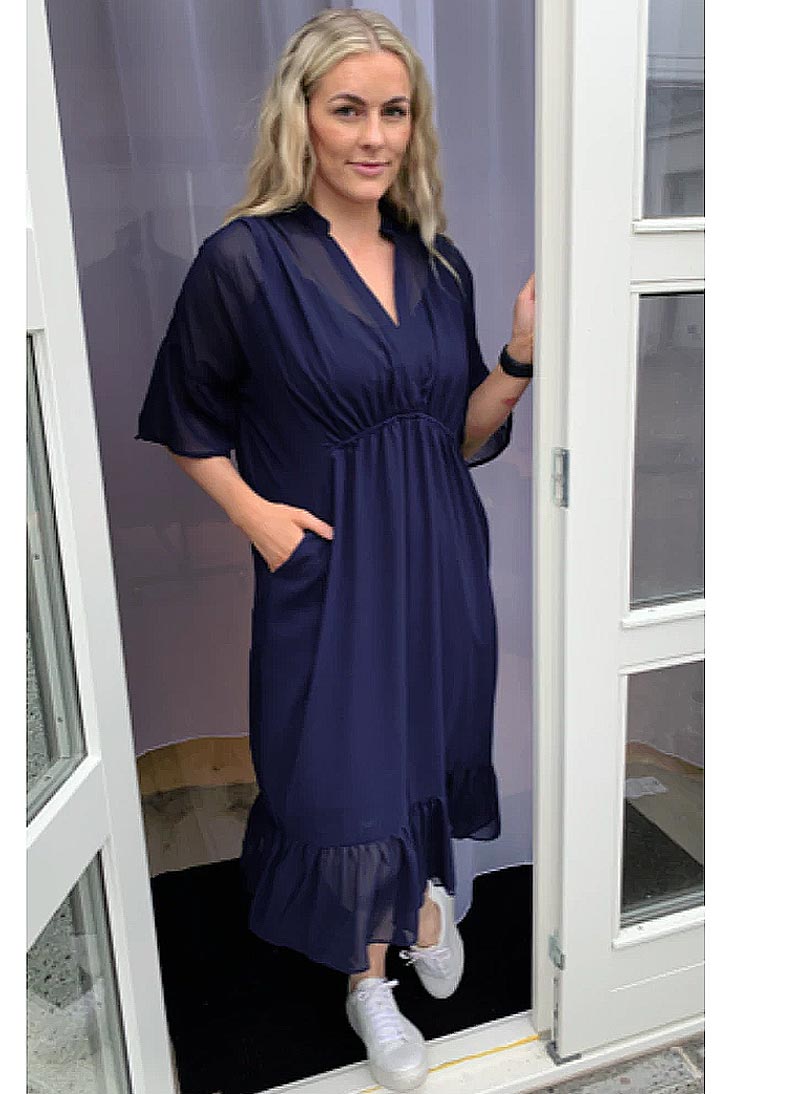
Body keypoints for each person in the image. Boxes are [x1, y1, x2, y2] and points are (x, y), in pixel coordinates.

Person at [135, 7, 535, 1091]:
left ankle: (422, 903)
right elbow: (184, 415)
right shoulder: (244, 261)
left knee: (424, 740)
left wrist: (514, 357)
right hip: (329, 568)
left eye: (393, 112)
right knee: (339, 770)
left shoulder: (437, 264)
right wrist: (253, 515)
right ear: (300, 117)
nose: (373, 136)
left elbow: (458, 434)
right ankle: (369, 984)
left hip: (439, 555)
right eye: (347, 109)